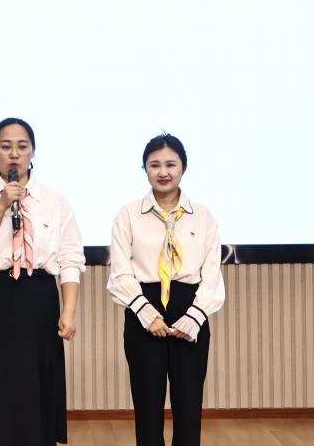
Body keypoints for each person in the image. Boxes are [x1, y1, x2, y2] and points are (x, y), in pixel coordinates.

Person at [0, 117, 86, 446]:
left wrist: (68, 311)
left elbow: (70, 258)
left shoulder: (54, 200)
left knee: (37, 387)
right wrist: (2, 203)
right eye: (5, 146)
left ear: (32, 151)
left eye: (22, 146)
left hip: (38, 297)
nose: (14, 153)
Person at [107, 134, 225, 446]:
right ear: (144, 168)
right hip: (143, 311)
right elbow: (120, 273)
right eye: (154, 165)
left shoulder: (203, 216)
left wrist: (194, 317)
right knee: (147, 408)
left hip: (190, 310)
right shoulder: (128, 214)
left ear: (183, 167)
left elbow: (212, 274)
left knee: (189, 407)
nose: (163, 172)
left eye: (170, 164)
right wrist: (148, 316)